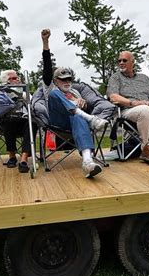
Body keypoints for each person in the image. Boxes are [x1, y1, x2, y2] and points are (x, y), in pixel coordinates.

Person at [39, 29, 111, 178]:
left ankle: (87, 162)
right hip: (58, 121)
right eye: (62, 79)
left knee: (79, 117)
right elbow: (47, 68)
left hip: (75, 123)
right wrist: (45, 42)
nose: (66, 82)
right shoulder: (51, 88)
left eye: (68, 79)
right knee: (54, 95)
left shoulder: (77, 92)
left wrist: (83, 105)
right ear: (55, 80)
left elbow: (91, 105)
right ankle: (91, 120)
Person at [107, 51, 149, 165]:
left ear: (132, 62)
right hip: (127, 111)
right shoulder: (115, 77)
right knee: (145, 109)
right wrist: (134, 102)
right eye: (119, 61)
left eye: (124, 60)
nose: (121, 63)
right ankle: (147, 149)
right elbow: (113, 96)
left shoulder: (144, 78)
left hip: (148, 109)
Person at [0, 69, 34, 173]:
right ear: (6, 82)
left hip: (24, 121)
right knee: (9, 121)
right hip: (6, 122)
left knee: (32, 123)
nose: (17, 79)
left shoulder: (25, 93)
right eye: (14, 78)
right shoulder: (1, 93)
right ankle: (12, 156)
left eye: (17, 77)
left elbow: (33, 106)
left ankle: (24, 160)